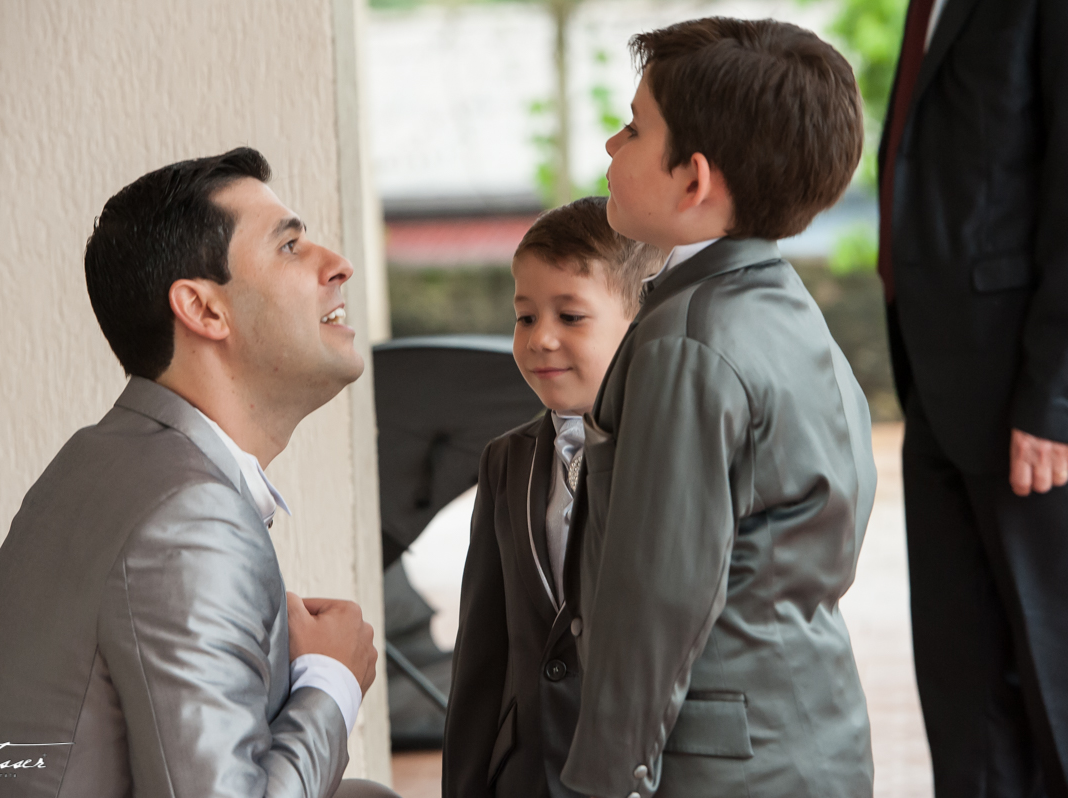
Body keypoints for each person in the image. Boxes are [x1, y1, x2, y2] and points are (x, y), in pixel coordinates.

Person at [0, 148, 398, 798]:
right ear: (203, 311)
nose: (336, 265)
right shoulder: (189, 512)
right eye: (289, 247)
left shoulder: (101, 462)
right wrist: (330, 681)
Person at [559, 19, 877, 798]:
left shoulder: (689, 339)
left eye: (634, 129)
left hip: (720, 762)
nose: (611, 145)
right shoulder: (791, 313)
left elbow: (655, 595)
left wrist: (606, 781)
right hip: (813, 734)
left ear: (693, 180)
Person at [878, 0, 1068, 793]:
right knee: (963, 692)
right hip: (933, 373)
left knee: (1057, 680)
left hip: (1030, 399)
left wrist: (1054, 401)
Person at [443, 197, 662, 798]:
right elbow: (482, 651)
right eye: (524, 317)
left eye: (570, 317)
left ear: (640, 321)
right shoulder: (505, 461)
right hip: (528, 776)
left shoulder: (667, 454)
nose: (540, 339)